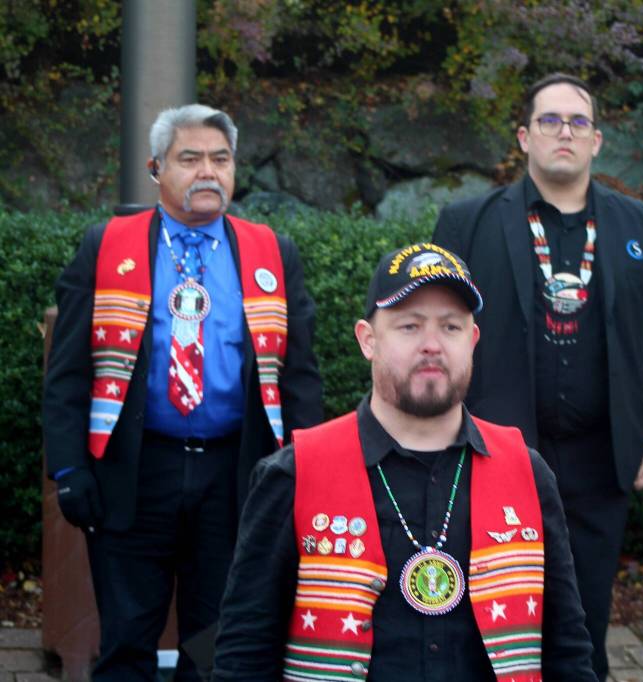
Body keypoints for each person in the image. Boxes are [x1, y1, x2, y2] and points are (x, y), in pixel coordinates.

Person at [211, 242, 598, 681]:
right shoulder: (293, 474)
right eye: (409, 326)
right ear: (368, 340)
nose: (432, 345)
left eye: (450, 328)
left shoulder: (527, 472)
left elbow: (568, 649)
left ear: (472, 341)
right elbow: (244, 655)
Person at [42, 103, 323, 681]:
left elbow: (298, 378)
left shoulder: (273, 252)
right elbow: (68, 371)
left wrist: (303, 470)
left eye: (220, 159)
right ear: (155, 168)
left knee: (216, 642)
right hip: (135, 472)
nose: (208, 172)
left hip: (236, 475)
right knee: (126, 640)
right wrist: (69, 469)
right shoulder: (106, 246)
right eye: (189, 158)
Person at [432, 72, 643, 680]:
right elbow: (436, 330)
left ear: (597, 140)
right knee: (495, 613)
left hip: (603, 458)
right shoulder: (468, 223)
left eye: (577, 122)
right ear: (524, 137)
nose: (563, 133)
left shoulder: (642, 227)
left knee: (584, 620)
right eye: (549, 121)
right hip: (500, 453)